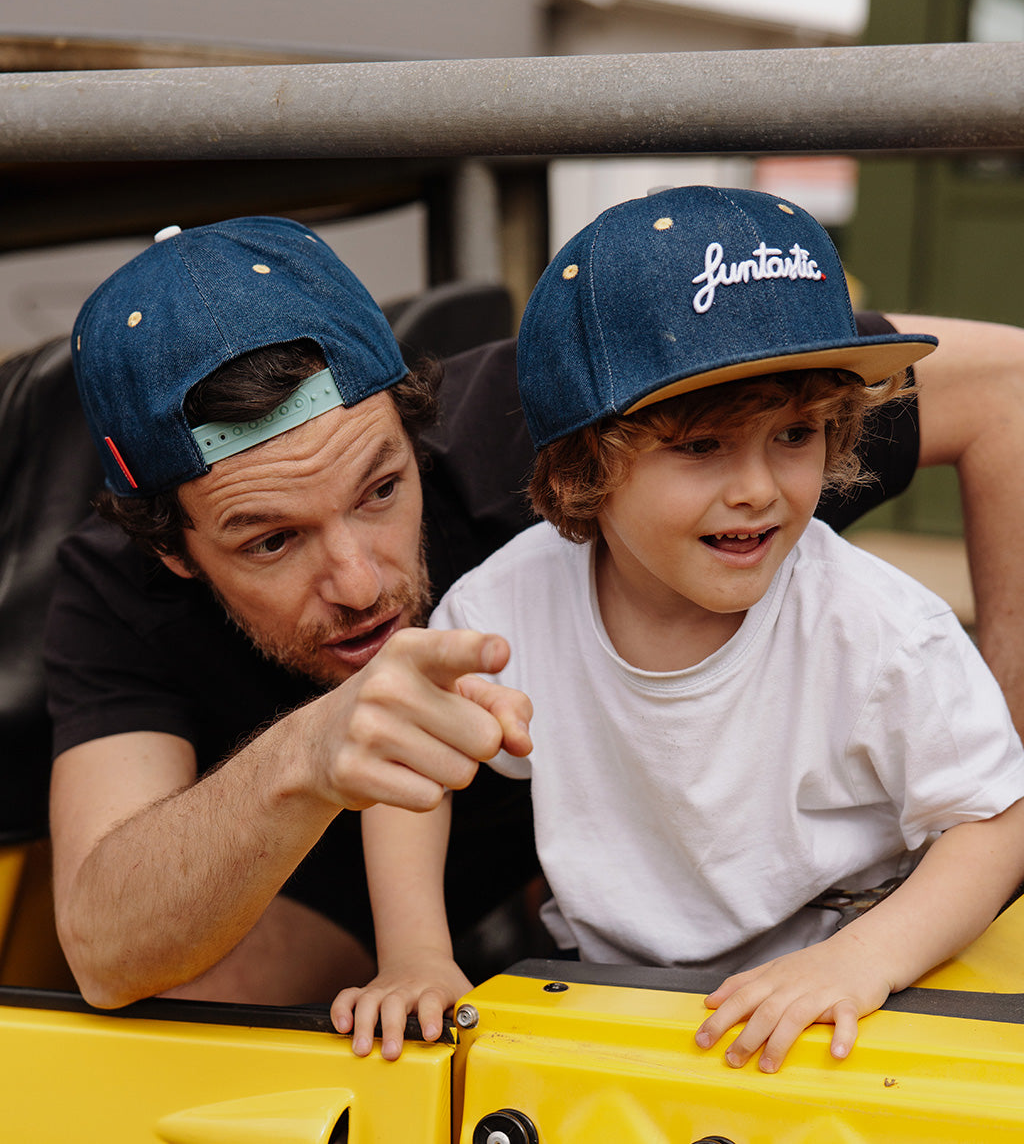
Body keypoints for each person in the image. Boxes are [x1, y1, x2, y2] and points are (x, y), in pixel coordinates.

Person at [44, 210, 1024, 1013]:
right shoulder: (117, 592)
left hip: (798, 928)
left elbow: (1004, 381)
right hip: (539, 933)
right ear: (168, 547)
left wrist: (983, 764)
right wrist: (328, 782)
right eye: (271, 539)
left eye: (380, 488)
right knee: (207, 1009)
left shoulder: (586, 392)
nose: (358, 581)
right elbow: (106, 952)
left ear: (418, 419)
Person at [332, 186, 1024, 1073]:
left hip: (855, 1006)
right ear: (587, 463)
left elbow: (994, 822)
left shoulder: (881, 630)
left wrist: (862, 961)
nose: (757, 488)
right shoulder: (509, 605)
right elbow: (408, 760)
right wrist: (418, 954)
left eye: (796, 434)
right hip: (620, 1004)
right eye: (703, 446)